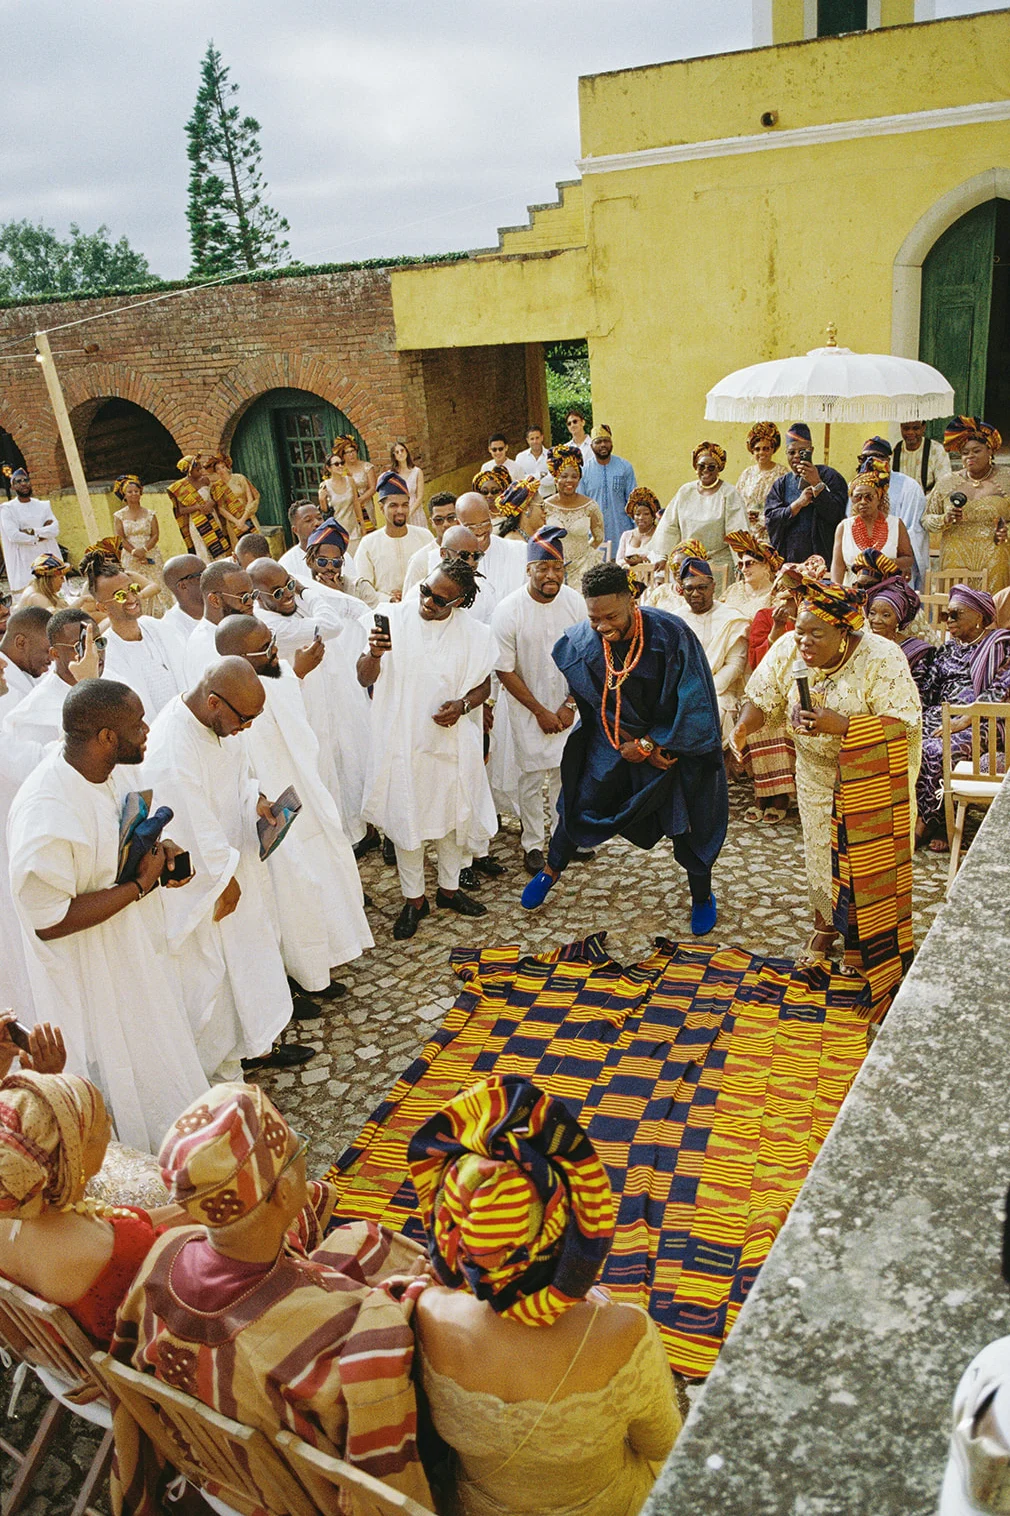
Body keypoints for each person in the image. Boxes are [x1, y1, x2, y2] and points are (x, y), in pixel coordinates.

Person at [111, 1083, 434, 1514]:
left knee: (356, 1239)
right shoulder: (338, 1328)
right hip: (297, 1499)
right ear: (282, 1193)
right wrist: (407, 1297)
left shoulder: (164, 1254)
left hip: (219, 1477)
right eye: (299, 1153)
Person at [410, 1075, 680, 1516]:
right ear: (565, 1228)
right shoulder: (623, 1333)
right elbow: (663, 1443)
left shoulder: (428, 1309)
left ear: (452, 1227)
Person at [7, 679, 210, 1150]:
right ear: (104, 737)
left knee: (159, 1057)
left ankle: (184, 1153)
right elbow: (50, 919)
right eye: (137, 724)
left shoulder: (107, 770)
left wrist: (160, 857)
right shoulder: (47, 810)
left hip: (131, 953)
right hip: (88, 978)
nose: (146, 730)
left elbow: (119, 839)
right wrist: (139, 886)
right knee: (116, 1082)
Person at [734, 580, 922, 990]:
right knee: (821, 852)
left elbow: (905, 726)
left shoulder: (881, 657)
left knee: (866, 861)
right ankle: (825, 926)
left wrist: (844, 725)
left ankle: (865, 942)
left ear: (844, 633)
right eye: (800, 631)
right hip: (816, 771)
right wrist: (743, 729)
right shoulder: (789, 648)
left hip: (872, 775)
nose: (803, 641)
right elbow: (762, 696)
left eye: (816, 634)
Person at [522, 562, 727, 935]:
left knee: (689, 817)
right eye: (594, 618)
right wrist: (622, 741)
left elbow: (695, 699)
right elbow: (588, 692)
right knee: (580, 798)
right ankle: (551, 869)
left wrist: (653, 744)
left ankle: (701, 895)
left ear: (632, 601)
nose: (602, 626)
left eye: (610, 616)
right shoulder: (586, 640)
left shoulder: (671, 635)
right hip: (612, 738)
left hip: (670, 743)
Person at [142, 658, 311, 1076]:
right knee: (216, 980)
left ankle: (256, 1046)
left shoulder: (221, 724)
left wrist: (258, 801)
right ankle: (224, 1077)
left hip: (237, 867)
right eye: (245, 719)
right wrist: (223, 881)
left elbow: (237, 777)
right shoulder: (172, 745)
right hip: (207, 883)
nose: (248, 727)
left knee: (251, 962)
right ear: (215, 702)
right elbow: (187, 821)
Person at [214, 616, 373, 998]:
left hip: (305, 798)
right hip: (268, 815)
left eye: (273, 643)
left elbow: (283, 685)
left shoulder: (271, 678)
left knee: (322, 881)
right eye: (266, 649)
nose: (275, 653)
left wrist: (295, 672)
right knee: (292, 895)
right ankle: (299, 980)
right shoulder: (230, 701)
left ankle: (321, 969)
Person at [357, 561, 496, 939]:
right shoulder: (388, 619)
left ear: (460, 602)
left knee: (453, 820)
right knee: (407, 821)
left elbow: (483, 687)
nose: (428, 602)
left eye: (439, 599)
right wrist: (374, 654)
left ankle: (449, 890)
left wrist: (464, 706)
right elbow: (363, 677)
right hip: (402, 743)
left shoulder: (476, 635)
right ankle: (413, 900)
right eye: (425, 591)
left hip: (451, 744)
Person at [0, 1065, 178, 1348]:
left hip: (64, 1365)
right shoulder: (111, 1249)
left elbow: (116, 1222)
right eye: (102, 1125)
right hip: (138, 1368)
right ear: (77, 1159)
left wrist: (188, 1206)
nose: (109, 1124)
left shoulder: (16, 1209)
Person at [250, 556, 372, 841]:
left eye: (290, 585)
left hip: (326, 704)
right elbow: (331, 625)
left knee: (341, 771)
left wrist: (292, 591)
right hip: (301, 711)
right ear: (258, 597)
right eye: (278, 592)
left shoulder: (285, 605)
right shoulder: (271, 626)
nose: (288, 594)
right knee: (320, 781)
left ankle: (351, 835)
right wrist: (307, 591)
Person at [493, 527, 585, 875]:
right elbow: (504, 669)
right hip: (526, 707)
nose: (551, 575)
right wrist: (540, 711)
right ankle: (533, 843)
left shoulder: (574, 602)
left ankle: (564, 838)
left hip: (568, 704)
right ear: (528, 570)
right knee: (531, 778)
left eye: (557, 567)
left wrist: (570, 705)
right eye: (543, 567)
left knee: (567, 773)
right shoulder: (509, 610)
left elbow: (587, 657)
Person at [912, 585, 1010, 850]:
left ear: (979, 617)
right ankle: (931, 818)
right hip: (943, 715)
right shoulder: (946, 650)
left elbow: (1002, 688)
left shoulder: (1002, 645)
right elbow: (928, 692)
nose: (949, 621)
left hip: (986, 719)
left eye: (956, 615)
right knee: (907, 743)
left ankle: (925, 822)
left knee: (936, 750)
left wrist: (965, 718)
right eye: (946, 615)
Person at [662, 554, 750, 751]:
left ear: (713, 587)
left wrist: (704, 691)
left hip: (719, 691)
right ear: (681, 590)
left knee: (708, 715)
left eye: (702, 588)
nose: (695, 594)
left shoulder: (732, 619)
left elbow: (735, 665)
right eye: (689, 588)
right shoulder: (674, 620)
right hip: (681, 690)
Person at [924, 417, 1010, 592]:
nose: (970, 456)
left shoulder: (1007, 479)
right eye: (964, 453)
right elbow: (926, 520)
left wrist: (1007, 531)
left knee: (992, 612)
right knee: (955, 611)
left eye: (976, 451)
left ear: (990, 451)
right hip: (955, 561)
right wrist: (944, 519)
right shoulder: (947, 482)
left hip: (994, 560)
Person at [88, 563, 180, 719]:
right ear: (103, 608)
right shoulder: (107, 655)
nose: (131, 598)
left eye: (133, 589)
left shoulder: (155, 626)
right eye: (120, 595)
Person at [3, 609, 103, 746]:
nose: (94, 653)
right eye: (80, 647)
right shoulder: (33, 716)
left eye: (99, 642)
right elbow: (47, 762)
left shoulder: (114, 679)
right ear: (55, 653)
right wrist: (89, 685)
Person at [651, 442, 749, 573]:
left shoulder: (729, 494)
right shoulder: (685, 491)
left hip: (719, 567)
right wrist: (663, 556)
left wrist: (742, 564)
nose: (705, 471)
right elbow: (670, 526)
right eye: (701, 466)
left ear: (719, 468)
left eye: (711, 467)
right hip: (688, 564)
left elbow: (737, 531)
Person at [764, 423, 849, 565]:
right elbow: (771, 519)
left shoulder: (830, 476)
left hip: (824, 560)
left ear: (811, 450)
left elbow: (838, 515)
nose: (797, 456)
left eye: (802, 451)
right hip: (789, 561)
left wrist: (817, 484)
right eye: (792, 453)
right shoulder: (781, 484)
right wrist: (796, 505)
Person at [852, 437, 930, 589]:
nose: (870, 462)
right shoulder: (855, 486)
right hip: (860, 570)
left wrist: (884, 558)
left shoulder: (909, 486)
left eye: (876, 457)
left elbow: (913, 530)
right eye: (865, 458)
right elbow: (852, 522)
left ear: (887, 459)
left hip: (896, 567)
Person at [830, 461, 915, 586]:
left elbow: (908, 559)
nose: (863, 502)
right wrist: (836, 594)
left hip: (888, 590)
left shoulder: (896, 524)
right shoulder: (844, 527)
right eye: (857, 497)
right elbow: (838, 566)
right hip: (853, 591)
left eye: (869, 497)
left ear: (879, 497)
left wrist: (883, 562)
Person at [354, 471, 434, 599]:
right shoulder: (368, 544)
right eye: (393, 506)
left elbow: (437, 576)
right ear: (381, 508)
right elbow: (363, 589)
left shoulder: (425, 537)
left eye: (405, 505)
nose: (400, 511)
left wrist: (412, 594)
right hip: (386, 612)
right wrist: (388, 599)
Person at [183, 559, 256, 681]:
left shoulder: (236, 628)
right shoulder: (207, 648)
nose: (250, 602)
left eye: (252, 595)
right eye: (242, 597)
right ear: (215, 600)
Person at [544, 445, 605, 589]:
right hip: (553, 568)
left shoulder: (590, 506)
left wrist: (583, 553)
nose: (569, 481)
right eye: (564, 476)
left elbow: (599, 537)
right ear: (555, 479)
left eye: (574, 476)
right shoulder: (545, 506)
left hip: (584, 568)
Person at [113, 474, 171, 612]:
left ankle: (162, 611)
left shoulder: (150, 514)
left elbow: (155, 535)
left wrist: (144, 550)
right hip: (130, 555)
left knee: (157, 582)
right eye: (130, 492)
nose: (133, 494)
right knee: (134, 584)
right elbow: (120, 537)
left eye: (136, 491)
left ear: (140, 493)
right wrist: (134, 552)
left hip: (150, 552)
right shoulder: (119, 516)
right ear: (124, 495)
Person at [579, 424, 638, 556]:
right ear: (591, 446)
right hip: (594, 535)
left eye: (606, 441)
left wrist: (637, 532)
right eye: (598, 442)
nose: (603, 445)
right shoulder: (584, 470)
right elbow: (581, 505)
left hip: (622, 530)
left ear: (611, 443)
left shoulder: (625, 467)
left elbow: (633, 501)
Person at [0, 467, 59, 594]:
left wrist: (31, 531)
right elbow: (14, 535)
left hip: (46, 553)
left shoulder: (43, 505)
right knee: (31, 596)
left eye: (25, 480)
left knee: (54, 593)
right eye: (18, 482)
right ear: (13, 487)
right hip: (24, 558)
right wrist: (39, 536)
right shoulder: (7, 509)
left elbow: (54, 529)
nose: (23, 484)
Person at [166, 455, 234, 563]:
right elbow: (181, 510)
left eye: (201, 468)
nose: (201, 472)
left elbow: (215, 497)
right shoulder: (180, 487)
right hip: (197, 523)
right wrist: (197, 507)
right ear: (189, 471)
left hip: (213, 518)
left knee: (219, 548)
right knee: (203, 551)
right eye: (197, 470)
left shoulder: (205, 481)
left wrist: (211, 503)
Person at [304, 516, 381, 609]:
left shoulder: (360, 588)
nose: (330, 567)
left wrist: (341, 597)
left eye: (336, 562)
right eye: (322, 561)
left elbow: (372, 621)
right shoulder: (302, 594)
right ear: (309, 561)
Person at [865, 577, 932, 679]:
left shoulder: (914, 652)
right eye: (872, 613)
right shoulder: (863, 644)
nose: (876, 620)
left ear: (898, 619)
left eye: (886, 615)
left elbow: (918, 690)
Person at [157, 554, 206, 687]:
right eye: (202, 574)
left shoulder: (221, 605)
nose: (209, 578)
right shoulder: (169, 630)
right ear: (183, 586)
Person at [734, 422, 789, 539]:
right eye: (757, 449)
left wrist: (764, 519)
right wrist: (744, 515)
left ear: (773, 449)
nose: (761, 453)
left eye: (766, 448)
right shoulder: (746, 474)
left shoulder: (782, 474)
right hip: (748, 532)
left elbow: (787, 506)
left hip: (772, 532)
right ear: (752, 451)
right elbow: (737, 503)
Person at [403, 490, 458, 593]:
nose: (445, 524)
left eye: (451, 518)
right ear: (431, 523)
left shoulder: (473, 553)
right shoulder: (421, 560)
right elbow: (409, 600)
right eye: (439, 520)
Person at [722, 530, 783, 621]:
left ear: (766, 566)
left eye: (749, 563)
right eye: (741, 564)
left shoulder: (775, 596)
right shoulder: (734, 589)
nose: (743, 569)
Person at [318, 448, 366, 551]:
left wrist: (362, 524)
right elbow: (325, 514)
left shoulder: (350, 481)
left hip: (353, 530)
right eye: (336, 464)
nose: (340, 466)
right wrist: (322, 500)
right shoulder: (325, 486)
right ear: (329, 468)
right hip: (337, 531)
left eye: (342, 463)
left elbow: (356, 503)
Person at [0, 603, 51, 699]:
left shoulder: (26, 668)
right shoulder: (5, 689)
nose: (52, 658)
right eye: (47, 650)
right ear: (21, 643)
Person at [208, 453, 261, 543]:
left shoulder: (240, 478)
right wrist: (237, 522)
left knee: (257, 543)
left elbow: (250, 498)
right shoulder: (217, 486)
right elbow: (221, 508)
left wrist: (243, 519)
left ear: (227, 467)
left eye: (223, 467)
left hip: (248, 516)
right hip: (233, 522)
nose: (221, 470)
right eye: (218, 469)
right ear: (215, 472)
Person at [893, 418, 951, 495]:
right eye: (906, 429)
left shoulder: (936, 450)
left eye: (915, 428)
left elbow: (944, 484)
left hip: (928, 502)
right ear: (901, 427)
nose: (910, 432)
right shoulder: (896, 450)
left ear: (923, 427)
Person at [616, 487, 662, 581]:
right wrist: (629, 564)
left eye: (646, 514)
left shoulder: (660, 534)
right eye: (637, 514)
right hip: (629, 582)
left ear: (653, 515)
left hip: (654, 581)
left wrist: (643, 560)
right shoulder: (626, 535)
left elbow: (661, 560)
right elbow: (618, 561)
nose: (641, 517)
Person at [336, 434, 378, 530]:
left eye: (353, 451)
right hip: (349, 507)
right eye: (347, 453)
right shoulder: (341, 470)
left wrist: (359, 501)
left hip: (365, 504)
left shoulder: (366, 467)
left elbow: (373, 488)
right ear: (343, 456)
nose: (351, 454)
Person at [280, 499, 324, 579]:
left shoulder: (341, 555)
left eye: (319, 518)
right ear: (295, 530)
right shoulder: (287, 564)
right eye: (308, 520)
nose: (317, 523)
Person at [495, 477, 547, 545]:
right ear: (526, 509)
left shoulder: (531, 537)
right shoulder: (514, 543)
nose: (545, 511)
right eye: (541, 506)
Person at [388, 439, 426, 529]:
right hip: (399, 512)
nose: (400, 453)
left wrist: (409, 512)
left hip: (415, 510)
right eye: (397, 452)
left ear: (406, 452)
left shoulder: (417, 471)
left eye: (402, 450)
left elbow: (420, 496)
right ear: (394, 456)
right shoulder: (392, 475)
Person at [515, 422, 554, 487]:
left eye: (537, 438)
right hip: (528, 497)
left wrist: (531, 478)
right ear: (527, 440)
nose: (535, 441)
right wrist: (542, 475)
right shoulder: (520, 457)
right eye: (532, 439)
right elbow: (519, 480)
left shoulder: (552, 456)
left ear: (542, 438)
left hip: (548, 496)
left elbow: (553, 479)